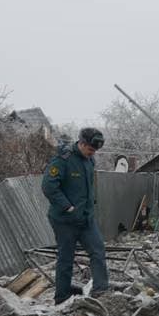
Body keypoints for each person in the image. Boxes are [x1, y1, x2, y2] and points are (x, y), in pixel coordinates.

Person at [42, 127, 110, 303]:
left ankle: (101, 292)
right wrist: (66, 207)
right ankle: (61, 298)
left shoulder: (90, 160)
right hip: (65, 220)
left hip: (86, 219)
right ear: (81, 143)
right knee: (66, 259)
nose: (92, 153)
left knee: (98, 251)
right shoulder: (62, 160)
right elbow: (49, 186)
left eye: (95, 151)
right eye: (90, 149)